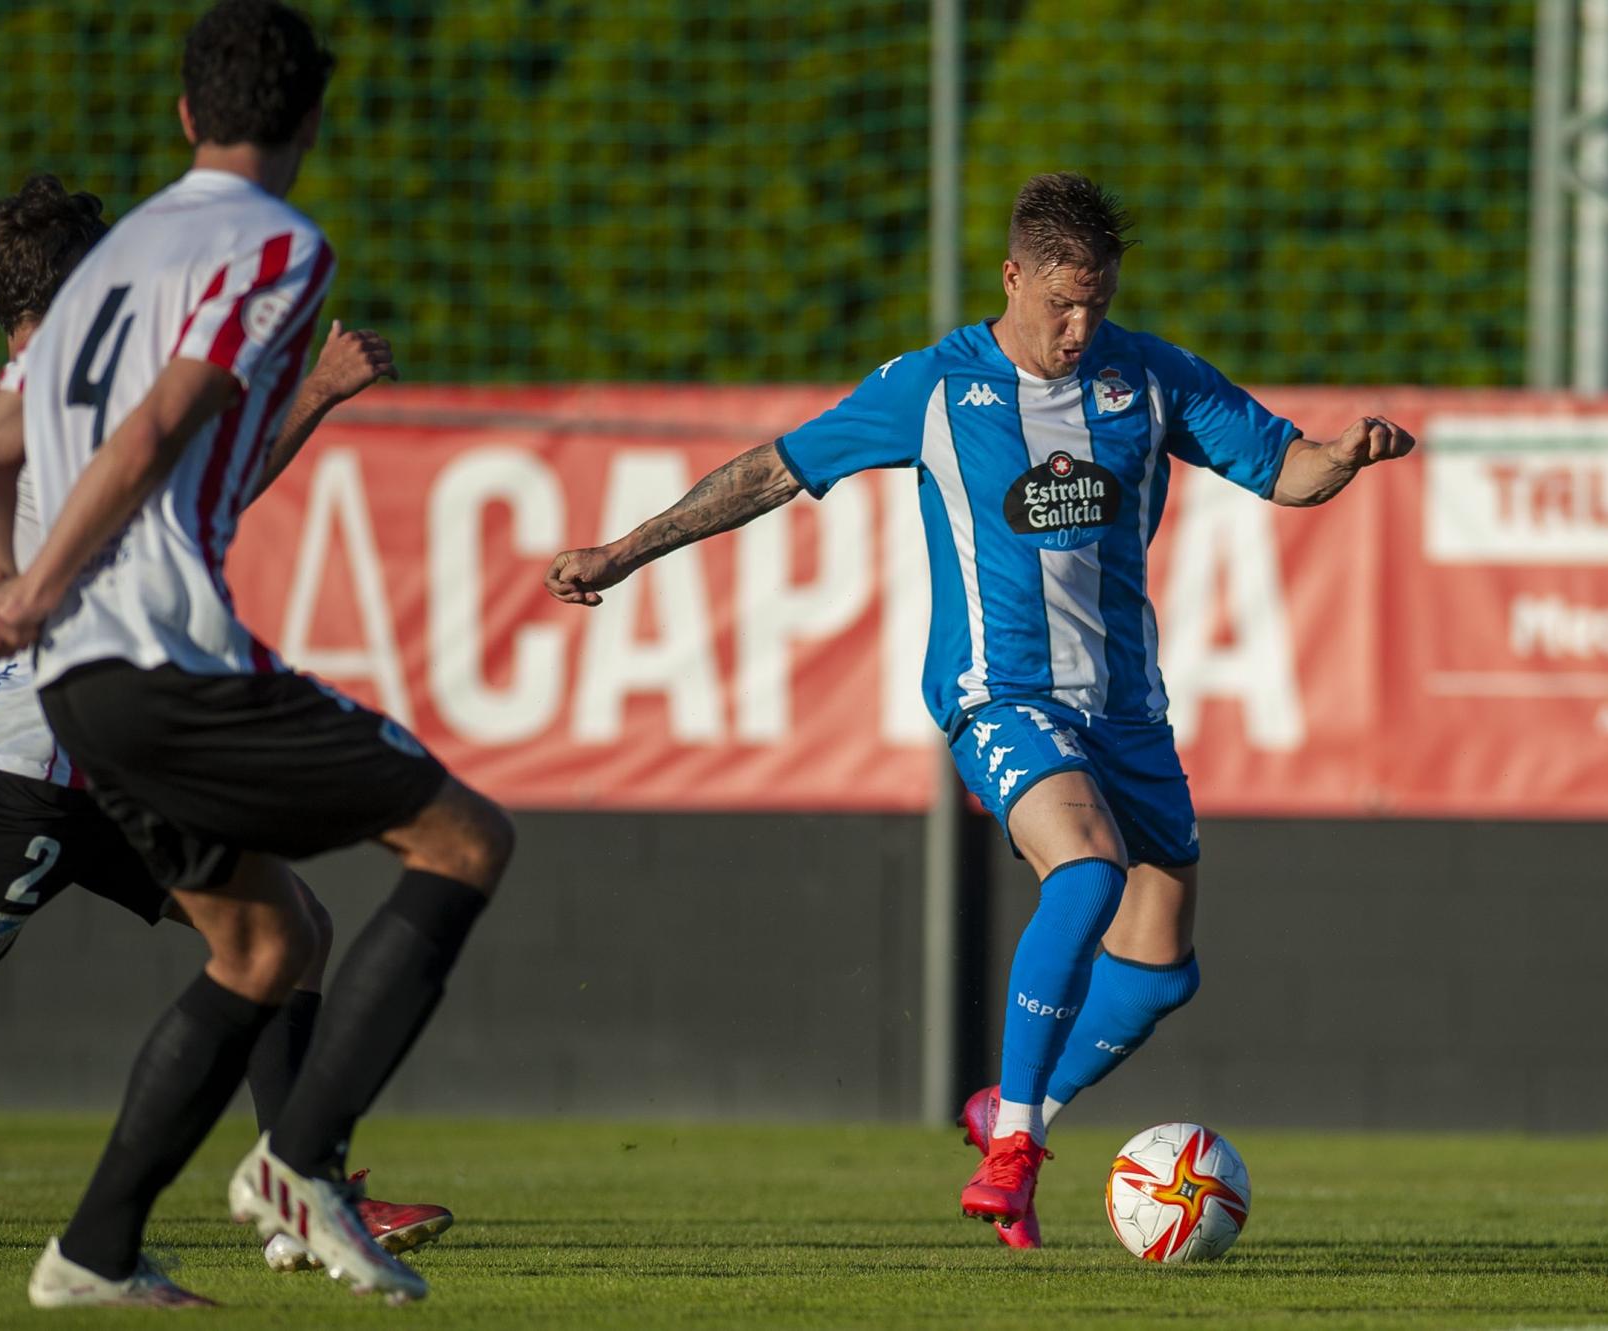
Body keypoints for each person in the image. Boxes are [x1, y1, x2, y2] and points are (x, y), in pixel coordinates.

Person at [545, 171, 1414, 1249]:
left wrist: (1343, 456)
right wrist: (624, 553)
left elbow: (1283, 468)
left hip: (1126, 710)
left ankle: (1016, 1110)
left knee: (1159, 965)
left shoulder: (1147, 377)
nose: (1077, 325)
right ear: (1011, 276)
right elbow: (772, 471)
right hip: (997, 694)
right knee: (1087, 869)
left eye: (1095, 302)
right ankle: (1011, 1149)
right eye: (1059, 302)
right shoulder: (933, 385)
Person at [0, 1, 513, 1308]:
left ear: (188, 113)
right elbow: (154, 436)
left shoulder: (108, 261)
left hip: (82, 690)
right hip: (159, 655)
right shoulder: (278, 244)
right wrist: (27, 589)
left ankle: (92, 1247)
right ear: (311, 119)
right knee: (466, 840)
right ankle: (300, 1160)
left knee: (260, 944)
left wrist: (10, 596)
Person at [0, 173, 450, 1275]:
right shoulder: (83, 396)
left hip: (95, 753)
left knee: (289, 931)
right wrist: (319, 390)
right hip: (39, 763)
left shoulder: (30, 399)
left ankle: (305, 1188)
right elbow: (201, 499)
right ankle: (275, 1195)